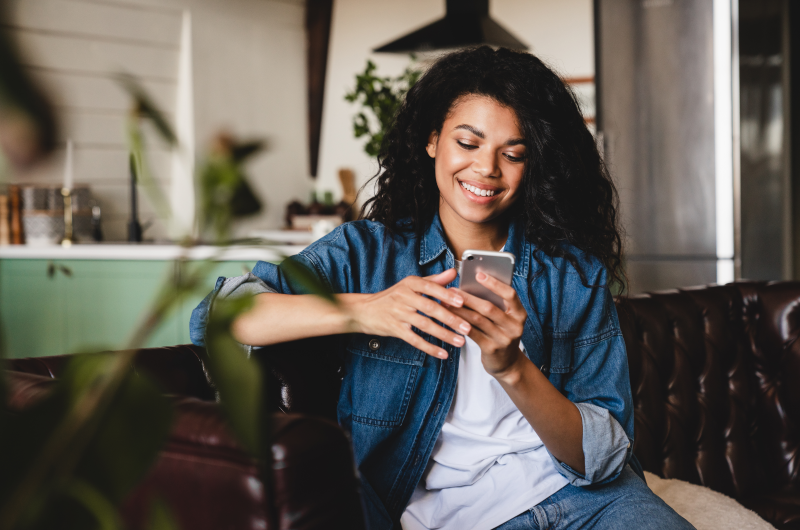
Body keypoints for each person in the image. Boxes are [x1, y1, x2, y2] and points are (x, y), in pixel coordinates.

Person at [190, 46, 694, 530]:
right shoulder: (366, 254)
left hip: (585, 502)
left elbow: (604, 456)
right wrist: (365, 310)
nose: (486, 169)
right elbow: (219, 314)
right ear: (433, 140)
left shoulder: (570, 274)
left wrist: (513, 368)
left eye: (512, 154)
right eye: (468, 143)